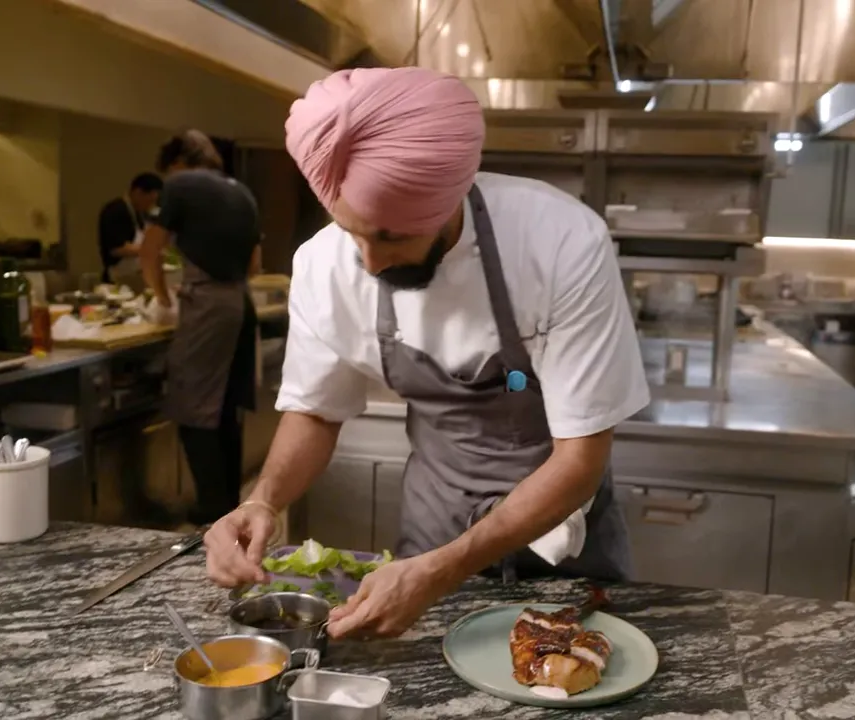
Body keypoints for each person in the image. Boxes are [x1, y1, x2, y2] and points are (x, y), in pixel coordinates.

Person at [201, 67, 649, 640]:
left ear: (450, 200)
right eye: (351, 231)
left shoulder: (560, 242)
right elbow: (315, 410)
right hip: (431, 537)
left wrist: (445, 569)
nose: (370, 262)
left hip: (565, 544)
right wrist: (263, 501)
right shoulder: (323, 264)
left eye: (390, 237)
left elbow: (580, 459)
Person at [140, 130, 261, 525]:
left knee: (193, 408)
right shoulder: (242, 193)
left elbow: (149, 252)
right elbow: (255, 265)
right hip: (241, 303)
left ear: (177, 163)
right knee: (225, 409)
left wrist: (163, 298)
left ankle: (210, 510)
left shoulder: (180, 185)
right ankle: (228, 506)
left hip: (208, 308)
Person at [98, 172, 163, 286]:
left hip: (136, 276)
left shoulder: (138, 213)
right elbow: (116, 249)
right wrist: (150, 250)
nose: (151, 205)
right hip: (118, 279)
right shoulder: (116, 210)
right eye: (150, 201)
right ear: (138, 193)